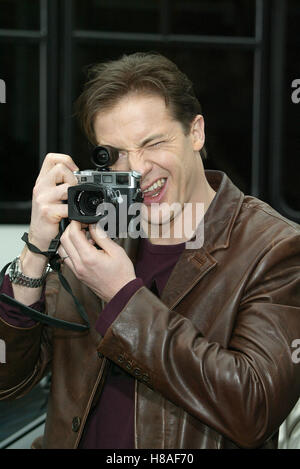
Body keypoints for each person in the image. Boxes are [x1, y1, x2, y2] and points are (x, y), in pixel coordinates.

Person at [0, 52, 300, 450]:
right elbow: (9, 382)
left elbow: (255, 409)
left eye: (153, 143)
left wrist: (124, 298)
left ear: (196, 133)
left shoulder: (273, 247)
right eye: (116, 153)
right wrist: (36, 250)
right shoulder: (102, 232)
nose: (138, 169)